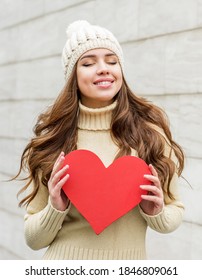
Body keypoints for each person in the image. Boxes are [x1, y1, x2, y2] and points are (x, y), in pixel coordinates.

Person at [15, 20, 185, 260]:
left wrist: (155, 211)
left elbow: (173, 214)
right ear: (73, 75)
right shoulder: (54, 140)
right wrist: (56, 207)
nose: (104, 68)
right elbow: (33, 240)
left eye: (112, 61)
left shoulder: (149, 134)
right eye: (88, 63)